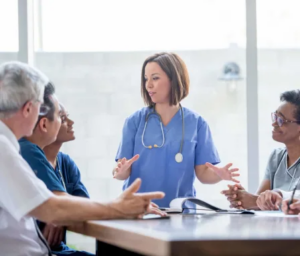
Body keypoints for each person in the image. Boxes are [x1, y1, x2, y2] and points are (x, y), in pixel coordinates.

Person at [0, 61, 165, 256]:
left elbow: (52, 205)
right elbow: (51, 208)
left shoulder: (11, 147)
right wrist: (121, 207)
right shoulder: (4, 148)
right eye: (39, 107)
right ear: (28, 109)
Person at [113, 52, 240, 207]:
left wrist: (220, 175)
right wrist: (119, 172)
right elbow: (122, 172)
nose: (148, 85)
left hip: (180, 212)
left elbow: (203, 174)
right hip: (140, 210)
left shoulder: (197, 124)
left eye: (155, 78)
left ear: (174, 79)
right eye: (146, 79)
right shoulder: (134, 121)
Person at [222, 90, 300, 211]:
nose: (274, 123)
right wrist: (242, 198)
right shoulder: (276, 157)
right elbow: (259, 201)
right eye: (275, 116)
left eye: (281, 120)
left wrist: (253, 201)